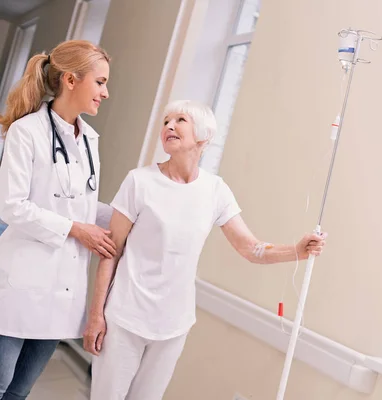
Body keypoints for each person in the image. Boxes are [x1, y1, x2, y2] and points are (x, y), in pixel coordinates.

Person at [84, 100, 327, 400]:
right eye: (166, 121)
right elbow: (111, 251)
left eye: (180, 120)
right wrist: (96, 315)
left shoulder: (215, 190)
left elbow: (250, 248)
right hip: (125, 317)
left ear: (203, 137)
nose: (169, 126)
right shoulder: (140, 182)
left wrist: (297, 251)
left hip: (174, 325)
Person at [0, 40, 115, 399]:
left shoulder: (89, 140)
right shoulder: (27, 132)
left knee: (19, 392)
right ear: (70, 80)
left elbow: (80, 203)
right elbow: (12, 206)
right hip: (19, 289)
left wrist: (131, 216)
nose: (106, 92)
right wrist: (76, 229)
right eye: (100, 82)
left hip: (62, 294)